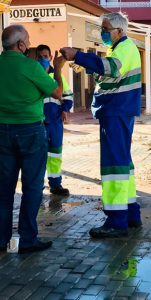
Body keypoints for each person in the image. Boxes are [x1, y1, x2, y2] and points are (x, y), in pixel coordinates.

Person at [60, 12, 142, 238]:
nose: (103, 33)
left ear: (119, 31)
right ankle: (131, 213)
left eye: (106, 29)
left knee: (114, 166)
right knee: (123, 163)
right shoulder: (120, 49)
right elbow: (110, 76)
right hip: (118, 111)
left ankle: (116, 221)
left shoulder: (124, 49)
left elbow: (110, 68)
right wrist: (87, 66)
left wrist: (78, 55)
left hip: (116, 111)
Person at [0, 25, 65, 254]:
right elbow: (57, 92)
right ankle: (27, 239)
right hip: (30, 131)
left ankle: (1, 239)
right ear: (20, 45)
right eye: (27, 40)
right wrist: (57, 68)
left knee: (4, 189)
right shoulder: (30, 66)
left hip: (2, 132)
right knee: (32, 186)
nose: (29, 44)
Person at [36, 44, 73, 196]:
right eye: (40, 57)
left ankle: (56, 185)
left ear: (51, 57)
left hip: (56, 122)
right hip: (39, 123)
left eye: (46, 56)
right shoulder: (34, 75)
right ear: (35, 58)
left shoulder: (57, 75)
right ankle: (37, 187)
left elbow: (68, 95)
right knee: (39, 156)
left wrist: (65, 109)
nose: (43, 59)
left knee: (55, 155)